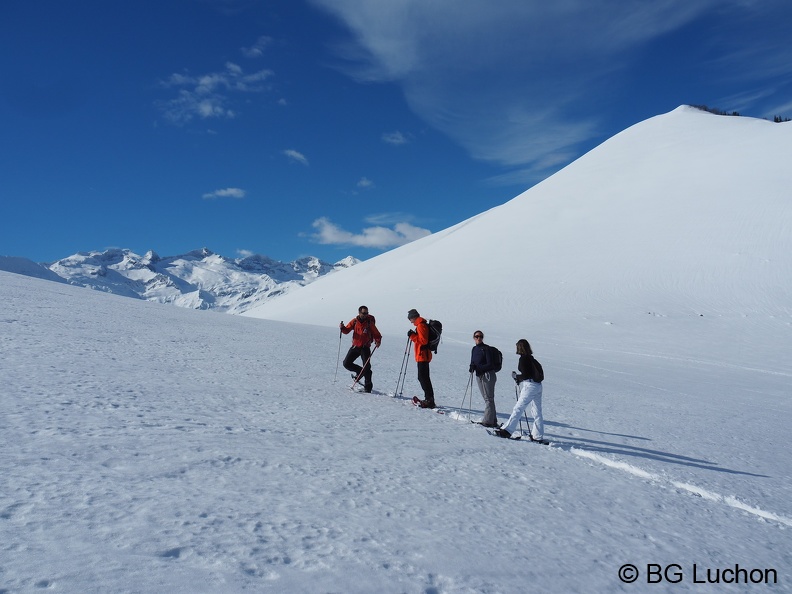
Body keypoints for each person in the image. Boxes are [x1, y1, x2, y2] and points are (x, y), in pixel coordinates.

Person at [495, 339, 544, 441]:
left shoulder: (523, 359)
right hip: (538, 386)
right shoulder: (532, 359)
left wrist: (517, 377)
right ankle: (537, 435)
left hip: (530, 386)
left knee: (518, 408)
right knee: (537, 411)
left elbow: (526, 375)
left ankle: (508, 431)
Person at [340, 305, 382, 392]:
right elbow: (346, 330)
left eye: (367, 313)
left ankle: (368, 387)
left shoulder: (369, 323)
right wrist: (342, 328)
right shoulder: (354, 321)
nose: (365, 315)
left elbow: (377, 333)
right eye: (363, 313)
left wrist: (378, 341)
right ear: (359, 313)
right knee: (346, 363)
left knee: (367, 367)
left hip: (365, 347)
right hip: (355, 346)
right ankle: (360, 371)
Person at [407, 308, 435, 408]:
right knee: (424, 377)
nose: (410, 321)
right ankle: (429, 399)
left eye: (410, 319)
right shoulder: (421, 324)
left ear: (413, 317)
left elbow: (423, 341)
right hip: (423, 355)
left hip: (423, 355)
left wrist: (412, 336)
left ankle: (429, 399)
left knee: (423, 378)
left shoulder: (421, 325)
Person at [469, 330, 498, 427]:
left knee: (488, 398)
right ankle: (493, 420)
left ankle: (488, 421)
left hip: (488, 375)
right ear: (474, 338)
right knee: (488, 398)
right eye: (477, 336)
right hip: (479, 375)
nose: (479, 338)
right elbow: (473, 361)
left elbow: (490, 364)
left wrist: (478, 368)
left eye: (480, 336)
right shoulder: (474, 349)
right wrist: (472, 367)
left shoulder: (486, 349)